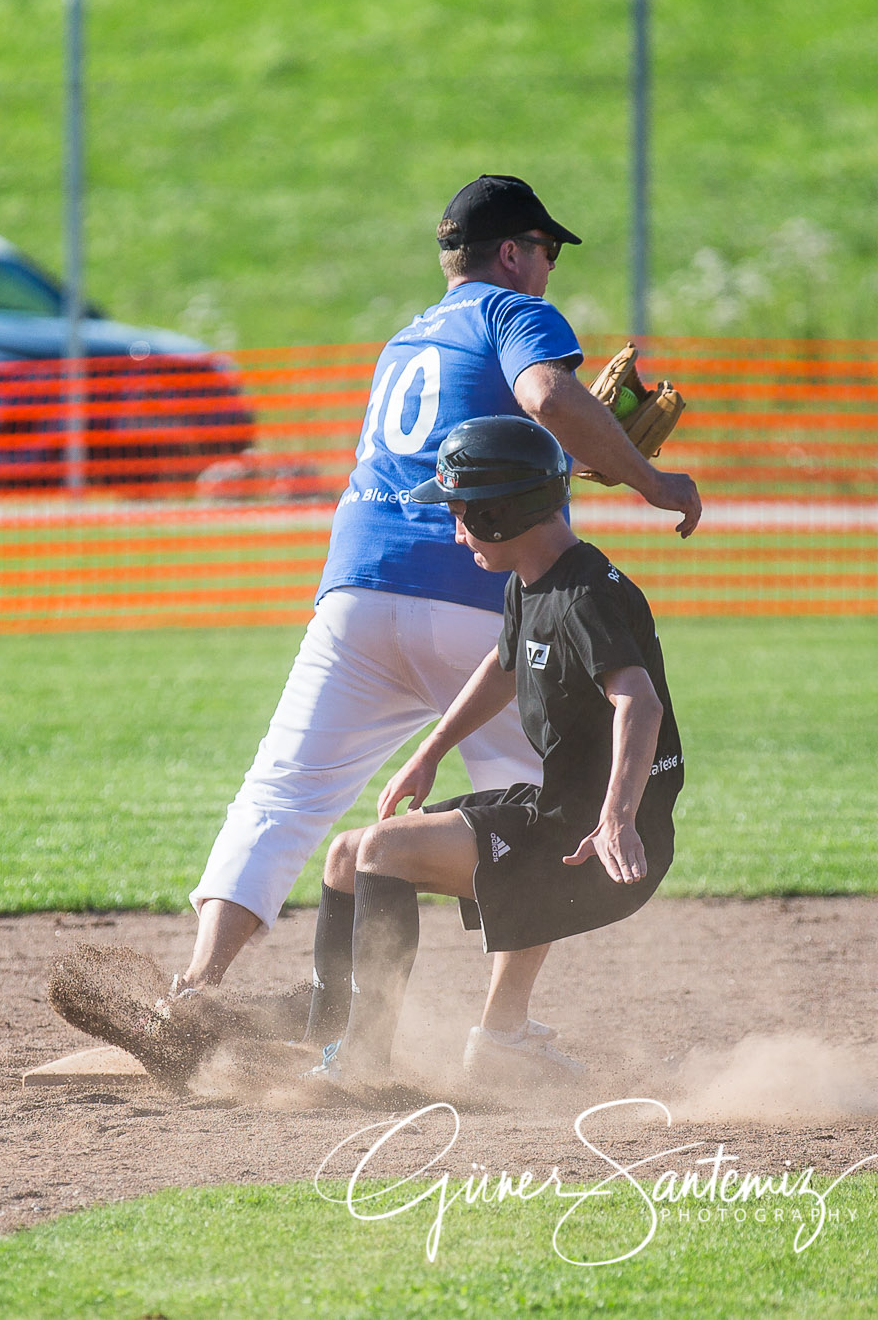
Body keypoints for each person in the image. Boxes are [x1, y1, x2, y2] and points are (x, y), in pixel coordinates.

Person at [172, 175, 701, 1072]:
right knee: (552, 813)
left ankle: (193, 995)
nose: (547, 267)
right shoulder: (511, 313)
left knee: (283, 791)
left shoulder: (406, 336)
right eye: (545, 249)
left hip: (356, 587)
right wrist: (650, 482)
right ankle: (501, 1036)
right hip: (474, 595)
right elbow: (544, 399)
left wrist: (584, 453)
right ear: (508, 252)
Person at [308, 415, 683, 1083]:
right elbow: (503, 665)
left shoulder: (581, 595)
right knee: (344, 852)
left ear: (502, 513)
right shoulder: (533, 582)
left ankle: (362, 1064)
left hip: (595, 840)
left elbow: (641, 699)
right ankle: (330, 1043)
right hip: (561, 814)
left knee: (382, 851)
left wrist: (617, 818)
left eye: (463, 513)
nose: (455, 530)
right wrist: (429, 752)